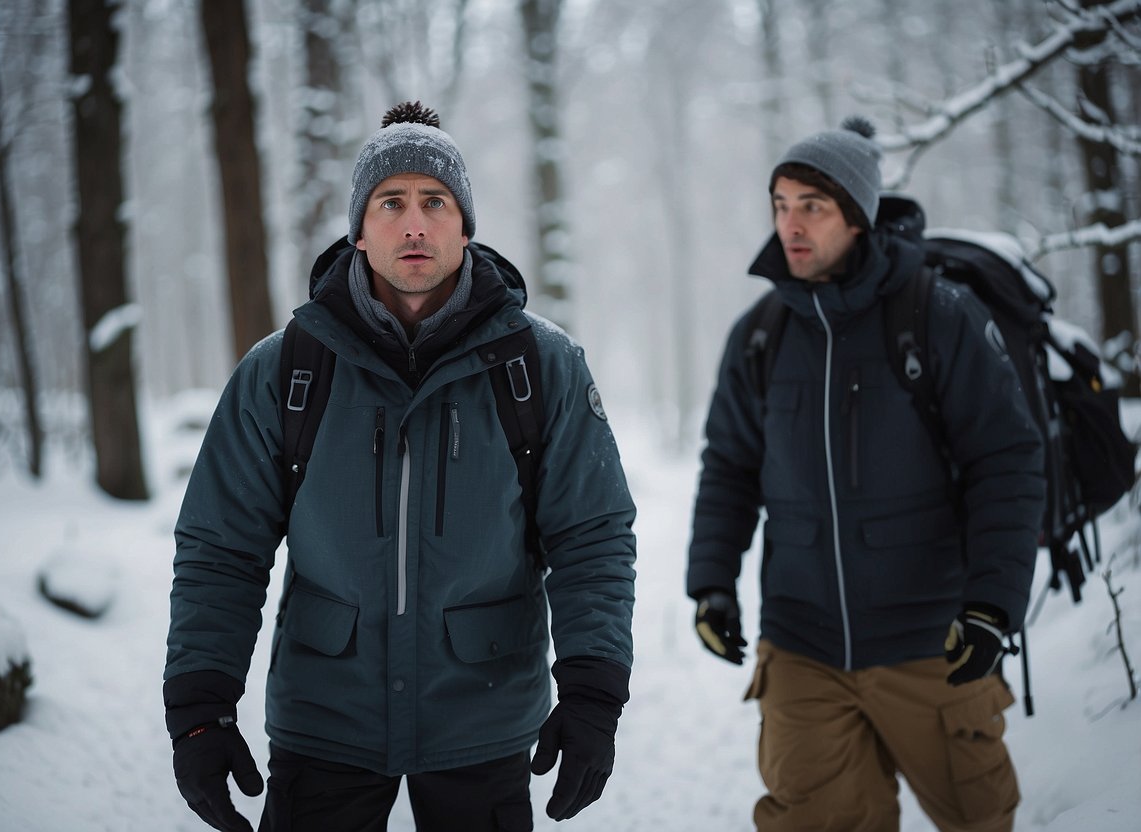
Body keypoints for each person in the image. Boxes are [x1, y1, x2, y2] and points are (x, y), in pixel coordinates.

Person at [164, 101, 637, 832]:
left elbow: (592, 537)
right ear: (358, 228)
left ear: (464, 224)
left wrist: (592, 694)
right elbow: (220, 549)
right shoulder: (285, 370)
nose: (413, 224)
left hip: (483, 717)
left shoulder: (540, 367)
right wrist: (199, 710)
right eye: (391, 203)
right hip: (326, 722)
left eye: (434, 202)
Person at [686, 116, 1046, 832]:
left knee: (979, 821)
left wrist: (990, 607)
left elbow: (1004, 463)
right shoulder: (760, 333)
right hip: (800, 649)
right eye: (780, 205)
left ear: (857, 217)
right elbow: (728, 466)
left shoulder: (937, 316)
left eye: (811, 207)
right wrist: (712, 585)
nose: (790, 225)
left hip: (930, 642)